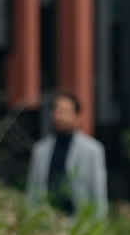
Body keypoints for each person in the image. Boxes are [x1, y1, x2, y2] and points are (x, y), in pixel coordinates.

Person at [27, 91, 109, 219]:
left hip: (78, 226)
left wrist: (98, 228)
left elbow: (99, 194)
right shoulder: (40, 150)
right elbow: (32, 192)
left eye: (65, 111)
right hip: (47, 224)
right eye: (57, 111)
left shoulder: (93, 150)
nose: (59, 116)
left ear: (77, 117)